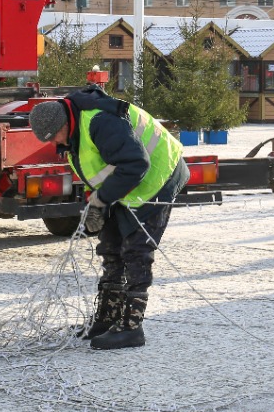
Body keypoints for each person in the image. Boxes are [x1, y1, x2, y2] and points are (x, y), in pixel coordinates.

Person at [29, 87, 188, 350]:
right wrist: (96, 202)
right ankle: (107, 318)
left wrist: (103, 199)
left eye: (54, 137)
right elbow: (98, 169)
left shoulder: (100, 122)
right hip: (125, 186)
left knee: (136, 251)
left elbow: (136, 163)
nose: (55, 144)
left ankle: (131, 327)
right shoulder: (74, 132)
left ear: (64, 123)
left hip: (158, 180)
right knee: (110, 246)